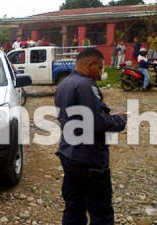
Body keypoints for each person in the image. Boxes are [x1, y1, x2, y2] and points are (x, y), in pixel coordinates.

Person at [55, 48, 127, 225]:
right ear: (90, 64)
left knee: (74, 207)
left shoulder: (63, 84)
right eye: (100, 68)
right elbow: (98, 123)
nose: (100, 72)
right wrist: (120, 120)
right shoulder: (87, 85)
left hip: (69, 154)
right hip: (89, 158)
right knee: (101, 211)